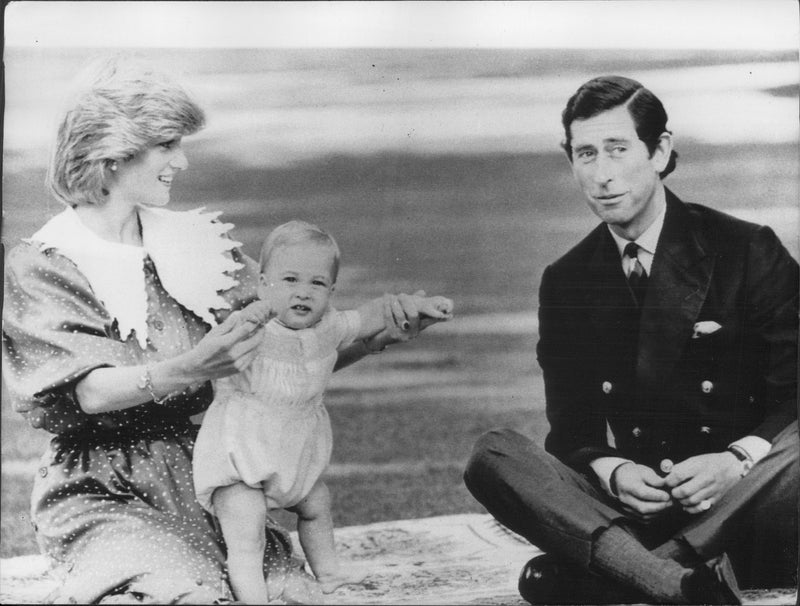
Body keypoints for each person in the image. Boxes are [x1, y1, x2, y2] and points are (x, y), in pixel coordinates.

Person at [2, 55, 430, 605]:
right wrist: (193, 366)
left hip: (202, 474)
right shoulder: (47, 261)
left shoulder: (203, 246)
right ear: (113, 154)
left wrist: (371, 342)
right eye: (168, 145)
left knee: (285, 594)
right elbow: (86, 390)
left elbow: (274, 361)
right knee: (174, 594)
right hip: (101, 486)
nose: (181, 161)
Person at [464, 75, 798, 604]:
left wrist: (734, 461)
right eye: (586, 154)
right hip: (647, 511)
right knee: (494, 455)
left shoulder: (745, 248)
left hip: (751, 502)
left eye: (618, 150)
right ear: (568, 158)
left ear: (660, 151)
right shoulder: (567, 278)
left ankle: (638, 573)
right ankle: (679, 585)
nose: (601, 175)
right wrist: (615, 471)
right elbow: (572, 429)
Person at [192, 220, 454, 603]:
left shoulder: (330, 326)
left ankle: (329, 573)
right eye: (289, 280)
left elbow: (376, 313)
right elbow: (214, 342)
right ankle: (253, 598)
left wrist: (421, 306)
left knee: (316, 504)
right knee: (247, 537)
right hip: (240, 456)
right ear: (263, 284)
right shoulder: (251, 327)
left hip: (294, 451)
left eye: (316, 283)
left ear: (331, 291)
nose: (303, 293)